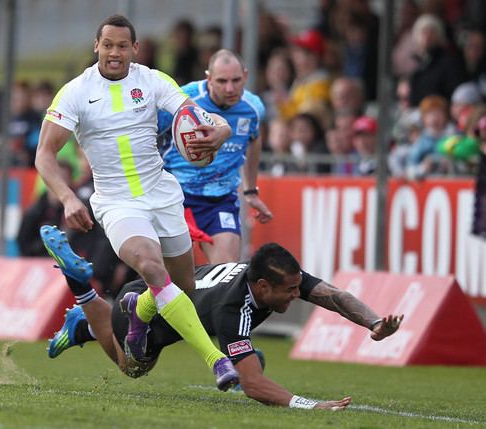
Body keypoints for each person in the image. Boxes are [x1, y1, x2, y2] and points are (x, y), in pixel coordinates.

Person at [34, 14, 238, 391]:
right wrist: (66, 198)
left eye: (122, 46)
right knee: (152, 268)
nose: (115, 53)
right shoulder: (76, 91)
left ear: (135, 49)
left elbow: (194, 115)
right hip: (117, 202)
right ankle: (217, 360)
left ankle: (130, 311)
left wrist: (221, 131)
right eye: (108, 45)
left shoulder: (152, 80)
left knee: (182, 289)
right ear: (96, 46)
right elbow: (44, 154)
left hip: (162, 195)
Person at [44, 228, 403, 410]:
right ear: (262, 287)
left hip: (152, 287)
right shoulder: (233, 311)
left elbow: (335, 297)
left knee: (243, 355)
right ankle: (82, 289)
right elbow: (252, 386)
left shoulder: (272, 276)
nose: (298, 295)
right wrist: (310, 404)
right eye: (291, 291)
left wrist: (373, 323)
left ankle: (85, 326)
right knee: (132, 367)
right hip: (145, 315)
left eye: (298, 287)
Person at [158, 49, 273, 264]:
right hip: (174, 197)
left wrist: (250, 190)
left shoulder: (254, 108)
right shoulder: (181, 99)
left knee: (227, 273)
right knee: (177, 280)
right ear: (208, 78)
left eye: (236, 80)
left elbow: (254, 139)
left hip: (220, 199)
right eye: (221, 81)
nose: (230, 88)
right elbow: (148, 133)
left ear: (246, 76)